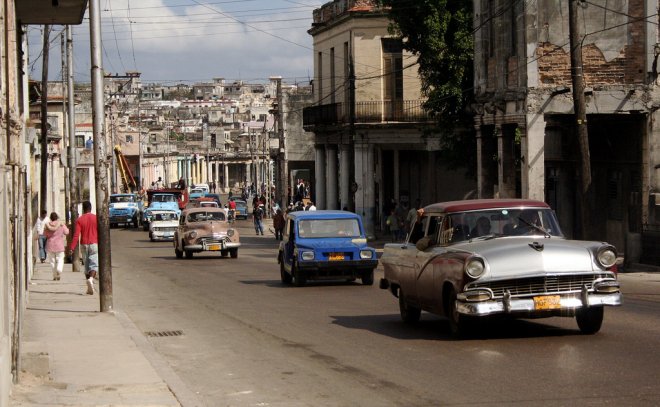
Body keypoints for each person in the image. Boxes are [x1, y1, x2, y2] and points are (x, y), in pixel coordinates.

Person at [68, 201, 98, 295]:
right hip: (94, 244)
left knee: (86, 266)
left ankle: (89, 286)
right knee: (94, 265)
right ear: (91, 208)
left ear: (83, 209)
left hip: (84, 244)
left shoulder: (80, 220)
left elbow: (76, 235)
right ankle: (91, 279)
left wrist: (72, 247)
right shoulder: (96, 218)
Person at [44, 212, 69, 281]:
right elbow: (67, 232)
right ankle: (59, 270)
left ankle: (55, 276)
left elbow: (45, 234)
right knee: (60, 259)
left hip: (50, 245)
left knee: (52, 261)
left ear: (51, 218)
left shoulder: (48, 225)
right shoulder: (61, 224)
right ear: (57, 217)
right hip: (59, 245)